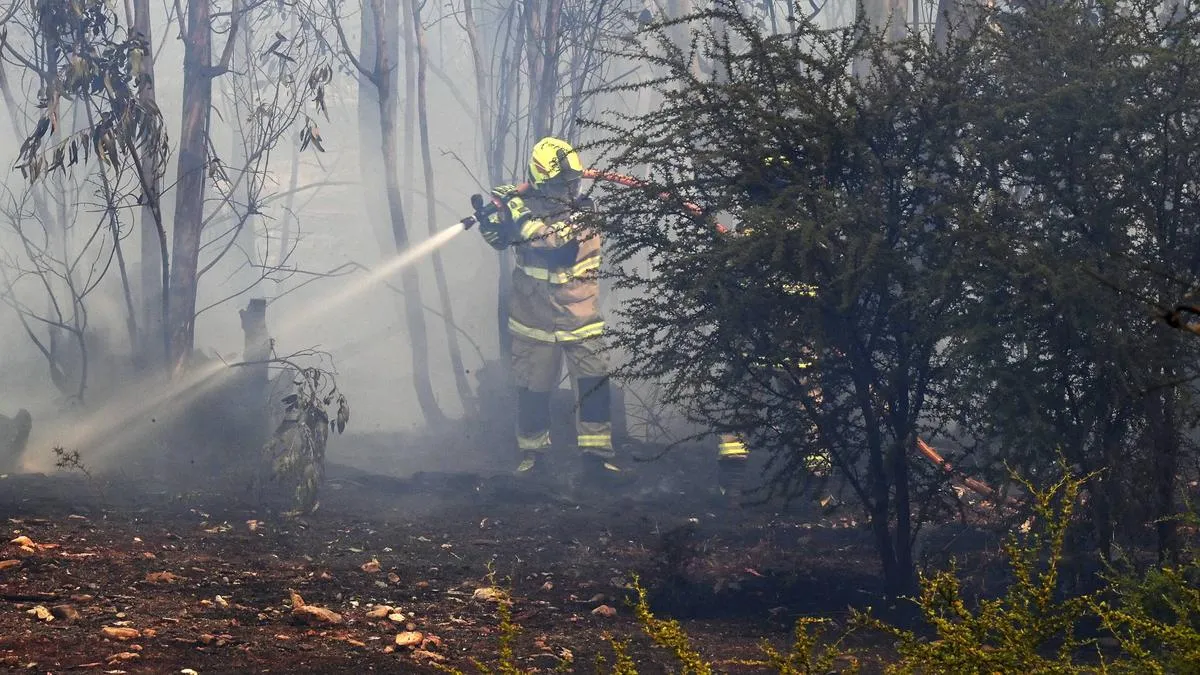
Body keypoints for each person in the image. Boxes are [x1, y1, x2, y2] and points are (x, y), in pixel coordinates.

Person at [473, 137, 627, 485]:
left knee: (593, 387)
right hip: (532, 319)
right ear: (542, 182)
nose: (572, 189)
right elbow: (503, 241)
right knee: (532, 390)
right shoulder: (524, 207)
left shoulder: (584, 211)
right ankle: (533, 457)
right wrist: (491, 221)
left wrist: (515, 211)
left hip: (580, 317)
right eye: (564, 184)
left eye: (574, 183)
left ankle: (597, 460)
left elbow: (556, 245)